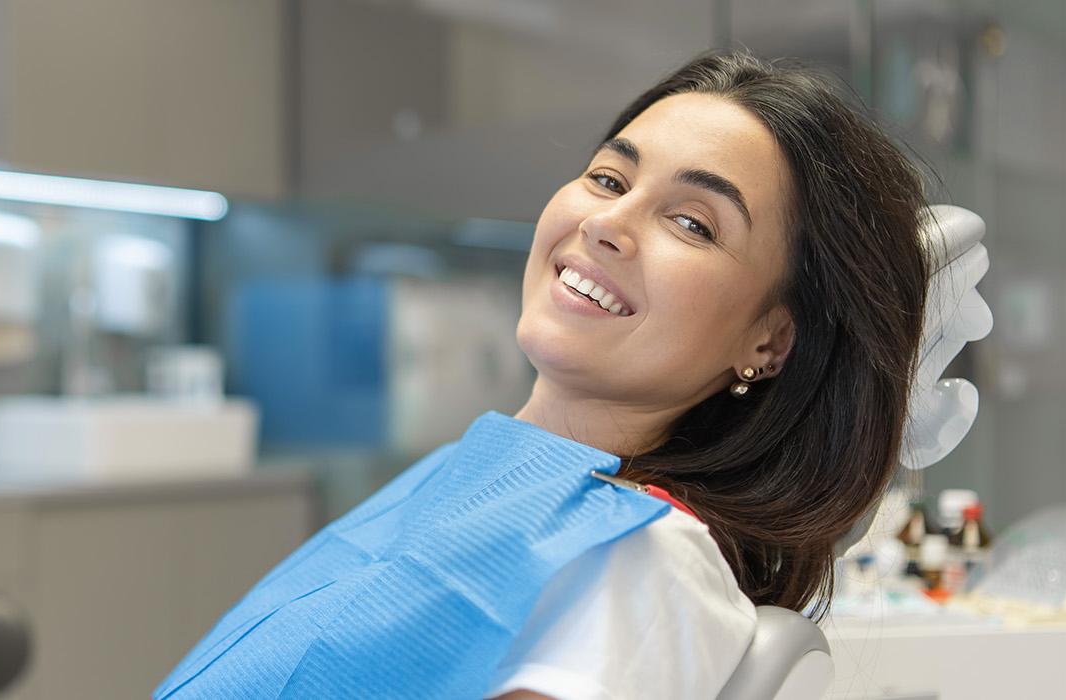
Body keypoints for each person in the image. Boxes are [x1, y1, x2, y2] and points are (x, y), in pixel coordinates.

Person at [157, 51, 931, 700]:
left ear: (771, 339)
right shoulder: (471, 479)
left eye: (692, 223)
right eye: (608, 179)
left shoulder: (643, 562)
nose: (608, 224)